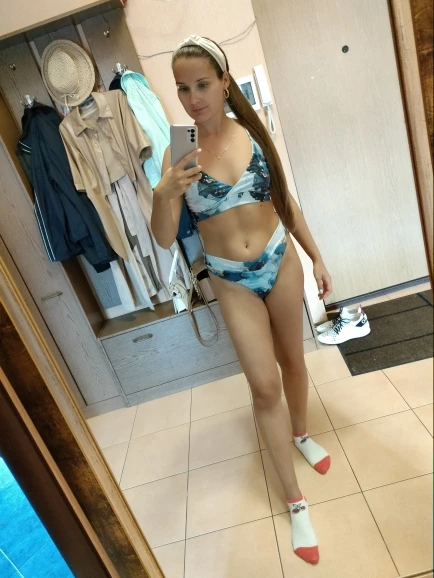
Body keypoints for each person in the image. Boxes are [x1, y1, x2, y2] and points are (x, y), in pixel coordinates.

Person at [151, 35, 332, 565]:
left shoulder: (252, 130)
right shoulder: (179, 147)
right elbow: (164, 237)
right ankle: (295, 502)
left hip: (280, 259)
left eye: (202, 85)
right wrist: (163, 194)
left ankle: (301, 433)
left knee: (294, 361)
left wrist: (317, 257)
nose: (192, 99)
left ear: (225, 82)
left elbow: (284, 200)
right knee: (264, 386)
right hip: (230, 278)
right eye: (182, 88)